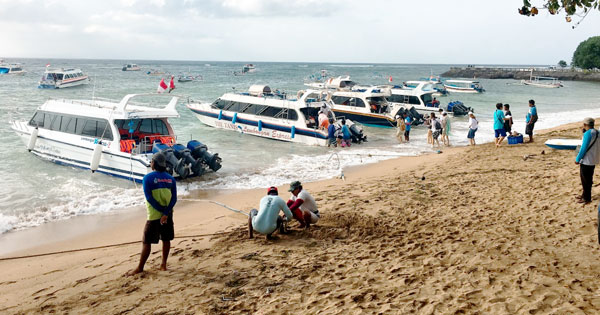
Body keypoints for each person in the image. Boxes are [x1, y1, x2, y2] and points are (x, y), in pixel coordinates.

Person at [128, 153, 177, 275]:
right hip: (168, 214)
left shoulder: (147, 178)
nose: (150, 164)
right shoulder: (171, 179)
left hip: (154, 215)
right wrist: (165, 213)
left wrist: (160, 211)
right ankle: (163, 265)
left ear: (154, 163)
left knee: (147, 241)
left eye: (151, 162)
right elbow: (174, 199)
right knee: (166, 239)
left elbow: (149, 198)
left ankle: (140, 267)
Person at [575, 118, 600, 204]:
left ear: (585, 125)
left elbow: (583, 148)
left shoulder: (588, 134)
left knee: (585, 180)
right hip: (594, 159)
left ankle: (586, 198)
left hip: (586, 160)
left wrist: (577, 159)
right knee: (588, 178)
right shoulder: (597, 132)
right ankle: (584, 195)